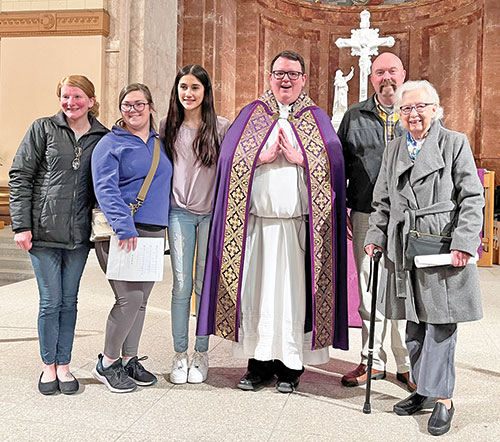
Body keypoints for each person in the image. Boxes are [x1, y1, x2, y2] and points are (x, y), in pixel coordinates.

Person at [196, 50, 348, 393]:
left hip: (297, 230)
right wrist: (257, 159)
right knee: (257, 297)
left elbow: (335, 165)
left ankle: (291, 367)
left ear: (304, 79)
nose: (286, 80)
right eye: (279, 73)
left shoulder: (317, 117)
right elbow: (227, 160)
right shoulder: (252, 114)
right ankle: (257, 366)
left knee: (292, 299)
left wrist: (304, 160)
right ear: (269, 77)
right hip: (257, 229)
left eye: (293, 74)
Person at [364, 80, 484, 436]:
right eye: (406, 108)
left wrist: (464, 241)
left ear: (435, 109)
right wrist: (376, 236)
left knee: (441, 324)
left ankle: (443, 398)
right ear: (399, 114)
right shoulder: (394, 148)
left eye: (420, 107)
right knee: (414, 324)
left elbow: (472, 198)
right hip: (404, 247)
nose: (413, 114)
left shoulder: (454, 143)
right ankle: (423, 389)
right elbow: (382, 201)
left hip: (442, 246)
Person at [9, 75, 108, 395]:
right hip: (42, 233)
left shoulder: (102, 137)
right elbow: (20, 176)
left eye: (77, 97)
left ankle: (64, 366)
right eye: (65, 97)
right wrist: (21, 225)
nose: (70, 103)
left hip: (79, 236)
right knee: (50, 302)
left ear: (91, 100)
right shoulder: (43, 129)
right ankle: (47, 366)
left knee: (70, 302)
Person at [337, 52, 412, 389]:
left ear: (403, 74)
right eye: (380, 72)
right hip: (367, 213)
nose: (387, 78)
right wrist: (346, 208)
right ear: (371, 78)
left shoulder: (415, 113)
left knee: (405, 290)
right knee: (369, 290)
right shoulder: (354, 116)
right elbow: (338, 167)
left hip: (410, 217)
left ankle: (408, 363)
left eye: (392, 71)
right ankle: (372, 360)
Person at [91, 83, 172, 393]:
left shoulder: (159, 143)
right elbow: (105, 188)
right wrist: (124, 227)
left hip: (153, 230)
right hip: (121, 231)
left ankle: (129, 359)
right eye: (127, 105)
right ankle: (107, 363)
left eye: (139, 104)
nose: (133, 110)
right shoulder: (110, 144)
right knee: (129, 298)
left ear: (150, 106)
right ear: (120, 109)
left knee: (141, 302)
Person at [160, 65, 230, 384]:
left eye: (195, 88)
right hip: (179, 214)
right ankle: (179, 354)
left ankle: (201, 354)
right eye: (183, 87)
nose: (188, 94)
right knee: (181, 284)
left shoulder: (221, 127)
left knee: (204, 285)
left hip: (211, 214)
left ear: (205, 92)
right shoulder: (167, 126)